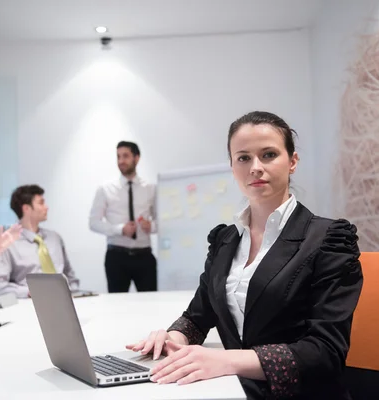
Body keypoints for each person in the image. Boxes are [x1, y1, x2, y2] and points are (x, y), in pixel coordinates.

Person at [126, 111, 364, 399]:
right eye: (243, 158)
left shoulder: (329, 240)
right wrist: (171, 339)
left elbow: (325, 352)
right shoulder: (225, 240)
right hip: (235, 389)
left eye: (268, 154)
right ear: (232, 166)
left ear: (292, 161)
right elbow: (198, 317)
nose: (255, 167)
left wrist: (224, 361)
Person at [0, 184, 79, 298]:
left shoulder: (55, 239)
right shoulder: (8, 243)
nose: (46, 207)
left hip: (64, 303)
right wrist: (29, 292)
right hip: (27, 306)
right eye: (41, 203)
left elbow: (70, 277)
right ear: (26, 208)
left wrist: (72, 292)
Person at [89, 141, 158, 293]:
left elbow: (163, 221)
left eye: (125, 156)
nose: (121, 161)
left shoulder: (151, 188)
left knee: (151, 304)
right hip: (116, 257)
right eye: (118, 156)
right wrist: (120, 229)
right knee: (116, 306)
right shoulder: (105, 189)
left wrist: (151, 226)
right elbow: (93, 223)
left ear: (137, 158)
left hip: (144, 256)